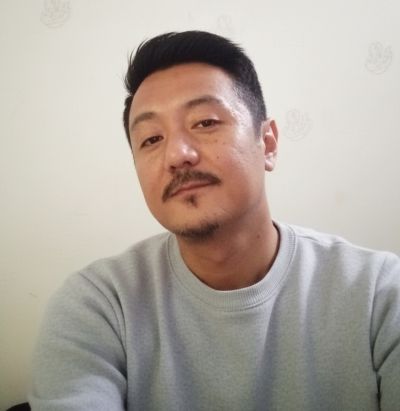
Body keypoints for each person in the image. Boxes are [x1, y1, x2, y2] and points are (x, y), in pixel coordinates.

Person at [29, 31, 400, 410]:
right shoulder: (99, 306)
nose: (177, 155)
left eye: (205, 122)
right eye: (151, 139)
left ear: (268, 143)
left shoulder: (380, 293)